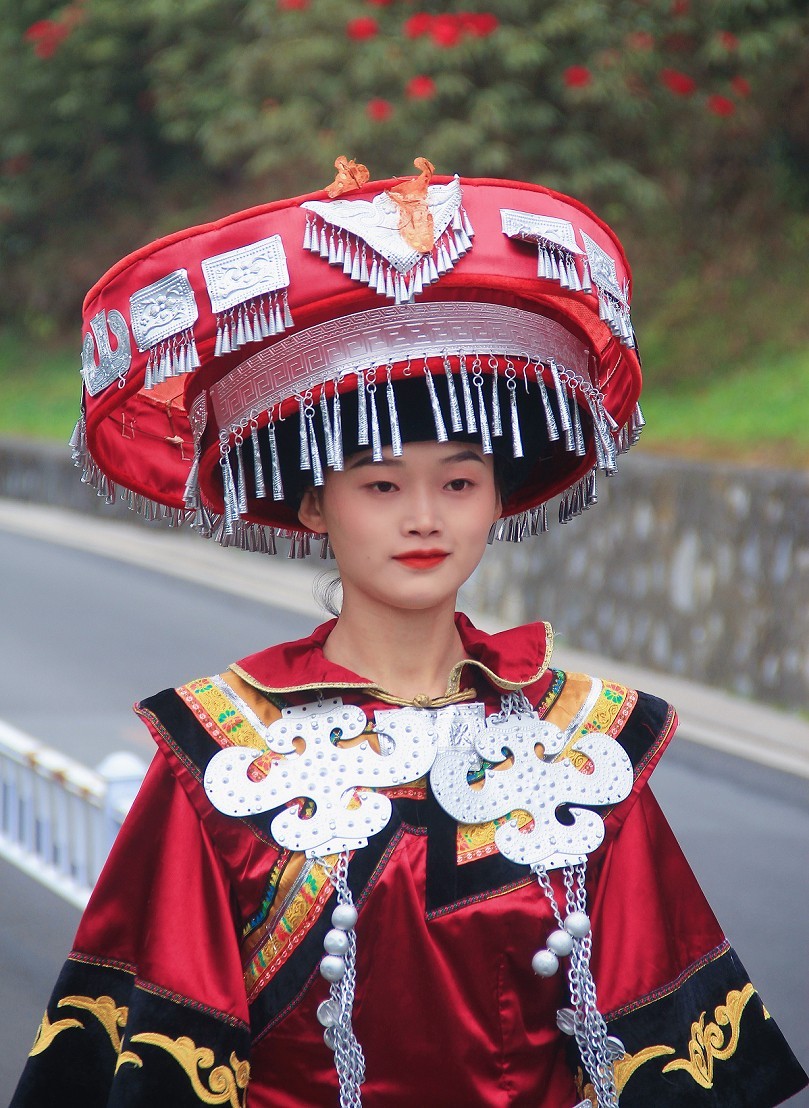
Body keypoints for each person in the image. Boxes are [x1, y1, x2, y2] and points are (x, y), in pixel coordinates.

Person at [11, 157, 807, 1107]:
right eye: (382, 486)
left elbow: (670, 1061)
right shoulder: (219, 749)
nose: (424, 518)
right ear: (315, 505)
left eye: (460, 482)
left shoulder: (586, 740)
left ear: (495, 499)